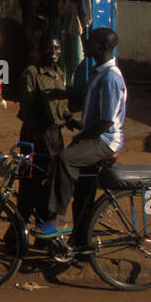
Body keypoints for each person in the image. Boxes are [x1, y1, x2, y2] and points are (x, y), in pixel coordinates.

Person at [36, 28, 126, 238]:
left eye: (91, 42)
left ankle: (57, 218)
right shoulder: (98, 71)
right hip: (96, 137)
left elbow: (106, 121)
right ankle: (82, 244)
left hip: (105, 140)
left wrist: (81, 137)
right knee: (84, 196)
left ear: (102, 47)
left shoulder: (110, 78)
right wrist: (63, 94)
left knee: (65, 159)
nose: (85, 45)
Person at [16, 34, 81, 222]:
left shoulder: (59, 74)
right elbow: (28, 108)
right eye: (49, 48)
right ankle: (16, 236)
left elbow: (63, 109)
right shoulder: (32, 73)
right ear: (41, 49)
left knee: (51, 187)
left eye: (57, 48)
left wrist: (74, 122)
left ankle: (45, 235)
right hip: (35, 137)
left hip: (55, 138)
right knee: (30, 187)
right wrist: (39, 135)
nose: (53, 52)